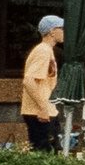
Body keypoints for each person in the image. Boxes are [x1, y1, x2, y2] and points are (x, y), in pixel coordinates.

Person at [20, 15, 63, 151]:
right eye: (62, 28)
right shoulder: (42, 51)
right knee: (45, 153)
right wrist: (43, 107)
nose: (64, 32)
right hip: (40, 113)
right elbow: (29, 81)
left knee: (50, 151)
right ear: (52, 31)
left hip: (45, 110)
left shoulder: (47, 50)